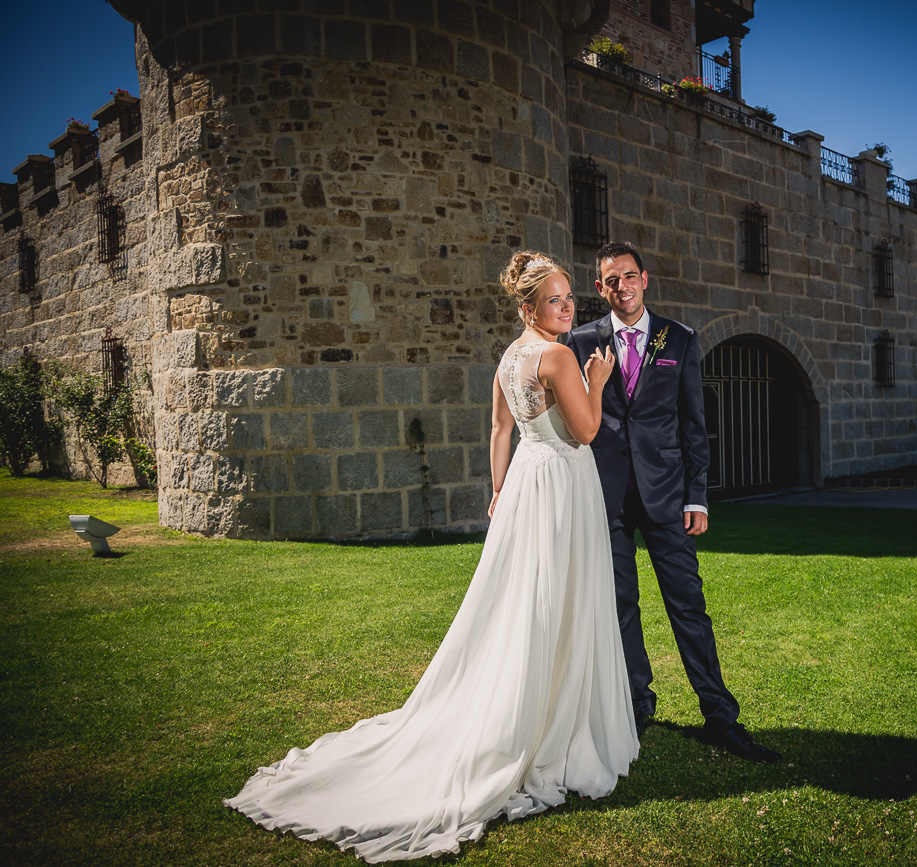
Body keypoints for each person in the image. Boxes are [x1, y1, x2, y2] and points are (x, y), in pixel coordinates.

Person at [224, 252, 636, 862]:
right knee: (556, 602)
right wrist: (598, 384)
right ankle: (553, 731)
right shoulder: (558, 356)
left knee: (525, 605)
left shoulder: (508, 358)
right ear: (529, 308)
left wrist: (497, 491)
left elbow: (499, 431)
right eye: (556, 300)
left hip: (527, 485)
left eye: (570, 297)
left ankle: (539, 709)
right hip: (562, 487)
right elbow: (587, 432)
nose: (569, 307)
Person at [566, 241, 781, 764]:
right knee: (620, 609)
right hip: (607, 498)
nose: (622, 287)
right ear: (600, 288)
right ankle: (637, 707)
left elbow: (694, 425)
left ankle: (721, 718)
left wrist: (698, 497)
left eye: (630, 276)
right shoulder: (578, 342)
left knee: (689, 607)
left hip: (668, 496)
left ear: (646, 278)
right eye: (611, 280)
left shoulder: (679, 339)